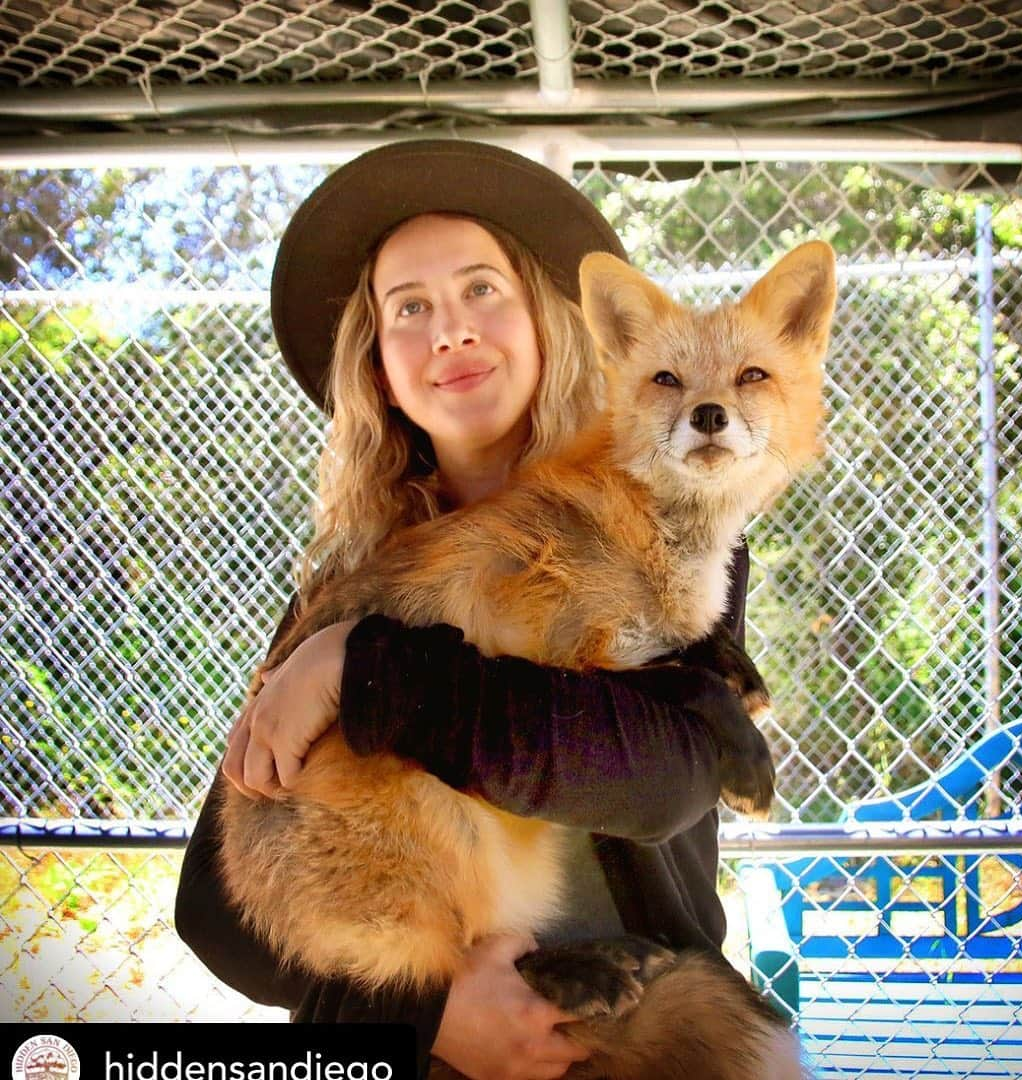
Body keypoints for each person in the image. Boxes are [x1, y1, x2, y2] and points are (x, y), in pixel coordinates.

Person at [175, 140, 755, 1080]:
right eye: (409, 308)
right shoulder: (349, 580)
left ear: (547, 319)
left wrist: (369, 672)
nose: (449, 331)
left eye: (482, 289)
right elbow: (216, 907)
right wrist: (425, 1016)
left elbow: (663, 779)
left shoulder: (663, 514)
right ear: (380, 363)